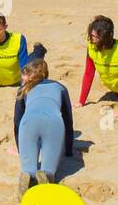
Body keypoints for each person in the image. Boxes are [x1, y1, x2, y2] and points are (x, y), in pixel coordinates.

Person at [12, 58, 74, 194]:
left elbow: (17, 121)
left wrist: (20, 148)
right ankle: (46, 175)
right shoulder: (60, 87)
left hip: (28, 123)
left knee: (28, 169)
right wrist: (69, 149)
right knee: (48, 172)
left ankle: (28, 176)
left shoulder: (23, 90)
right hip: (53, 122)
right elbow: (68, 120)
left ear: (29, 76)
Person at [0, 11, 46, 96]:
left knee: (33, 60)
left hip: (16, 81)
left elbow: (24, 67)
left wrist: (23, 87)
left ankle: (39, 49)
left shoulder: (18, 39)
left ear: (5, 27)